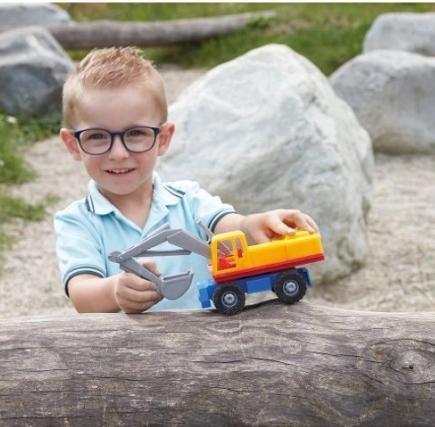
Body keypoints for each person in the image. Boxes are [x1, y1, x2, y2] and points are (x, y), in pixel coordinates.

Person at [54, 46, 319, 314]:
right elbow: (82, 294)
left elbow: (231, 228)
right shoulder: (77, 221)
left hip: (204, 339)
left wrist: (255, 224)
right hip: (122, 341)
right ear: (73, 145)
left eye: (135, 133)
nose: (119, 153)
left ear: (163, 139)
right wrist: (114, 290)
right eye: (97, 136)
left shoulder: (189, 200)